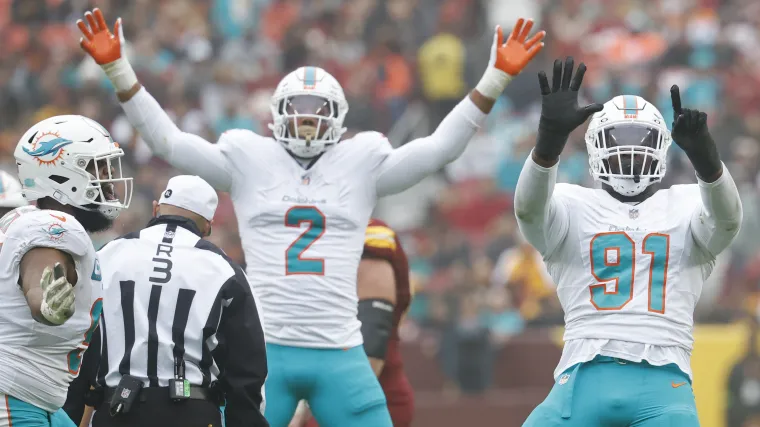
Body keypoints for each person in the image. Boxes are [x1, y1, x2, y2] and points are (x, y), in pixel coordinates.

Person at [76, 8, 545, 426]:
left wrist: (495, 78)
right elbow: (170, 143)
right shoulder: (249, 157)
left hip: (339, 349)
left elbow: (440, 148)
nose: (306, 120)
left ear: (338, 117)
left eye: (316, 111)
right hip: (265, 348)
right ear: (277, 114)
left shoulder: (362, 160)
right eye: (297, 110)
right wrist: (118, 69)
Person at [515, 57, 742, 426]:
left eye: (642, 140)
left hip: (660, 380)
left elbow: (729, 220)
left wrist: (707, 160)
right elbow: (527, 211)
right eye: (619, 139)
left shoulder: (687, 204)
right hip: (586, 371)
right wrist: (547, 144)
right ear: (595, 146)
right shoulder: (571, 203)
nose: (631, 150)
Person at [84, 175, 267, 427]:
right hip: (191, 411)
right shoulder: (223, 268)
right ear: (207, 227)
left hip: (117, 408)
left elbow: (81, 338)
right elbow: (248, 366)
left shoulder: (108, 254)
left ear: (156, 208)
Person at [0, 114, 132, 427]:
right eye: (98, 168)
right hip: (14, 396)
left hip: (35, 396)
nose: (109, 181)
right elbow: (41, 271)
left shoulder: (24, 220)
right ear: (62, 175)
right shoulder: (53, 225)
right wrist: (44, 299)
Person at [294, 219, 415, 427]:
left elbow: (371, 345)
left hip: (363, 398)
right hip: (310, 394)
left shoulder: (367, 233)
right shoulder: (291, 229)